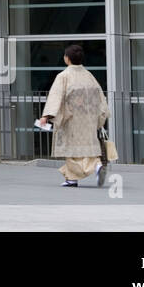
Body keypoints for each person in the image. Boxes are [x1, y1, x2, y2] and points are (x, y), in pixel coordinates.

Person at [37, 43, 111, 188]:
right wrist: (100, 117)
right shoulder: (89, 76)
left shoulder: (64, 76)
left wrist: (47, 115)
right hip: (88, 118)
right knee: (85, 149)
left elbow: (56, 96)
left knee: (70, 150)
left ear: (67, 58)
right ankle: (72, 178)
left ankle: (95, 166)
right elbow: (99, 97)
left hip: (70, 119)